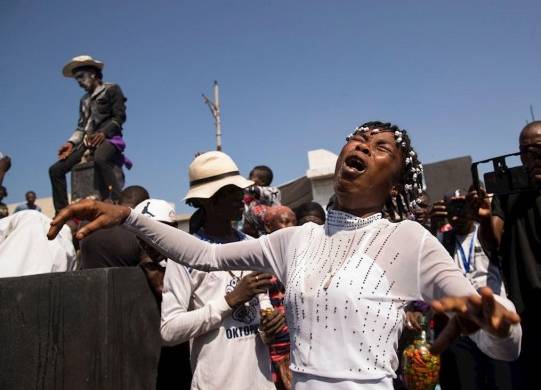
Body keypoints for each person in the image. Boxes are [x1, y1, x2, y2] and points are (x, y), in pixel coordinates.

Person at [49, 121, 522, 390]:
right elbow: (202, 255)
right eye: (358, 138)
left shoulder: (410, 241)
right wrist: (128, 216)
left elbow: (499, 338)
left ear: (395, 183)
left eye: (381, 148)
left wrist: (501, 325)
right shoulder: (296, 239)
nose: (361, 146)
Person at [162, 151, 276, 389]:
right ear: (211, 200)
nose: (241, 198)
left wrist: (270, 322)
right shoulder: (185, 255)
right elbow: (170, 330)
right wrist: (231, 301)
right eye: (232, 192)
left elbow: (262, 304)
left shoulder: (252, 247)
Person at [479, 121, 541, 387]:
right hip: (527, 311)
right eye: (526, 152)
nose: (532, 158)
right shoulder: (508, 191)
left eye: (538, 150)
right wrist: (482, 217)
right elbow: (492, 241)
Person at [433, 189, 512, 390]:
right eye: (452, 207)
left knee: (500, 382)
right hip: (462, 328)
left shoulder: (482, 233)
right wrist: (433, 227)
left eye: (462, 206)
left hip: (492, 322)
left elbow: (494, 241)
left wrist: (484, 218)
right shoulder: (444, 240)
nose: (457, 213)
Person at [49, 55, 128, 213]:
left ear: (93, 73)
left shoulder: (112, 89)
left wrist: (104, 133)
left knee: (100, 158)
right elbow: (81, 127)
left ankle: (118, 201)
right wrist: (70, 143)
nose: (78, 81)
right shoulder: (83, 101)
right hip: (87, 142)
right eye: (76, 78)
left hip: (110, 139)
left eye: (80, 76)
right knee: (55, 170)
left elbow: (119, 117)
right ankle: (63, 211)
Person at [132, 198, 192, 390]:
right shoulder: (146, 267)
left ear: (174, 228)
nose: (149, 242)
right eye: (142, 235)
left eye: (155, 233)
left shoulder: (194, 261)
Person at [79, 185, 149, 269]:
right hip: (125, 281)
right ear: (144, 209)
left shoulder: (86, 224)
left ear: (117, 203)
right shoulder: (140, 234)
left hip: (86, 280)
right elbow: (152, 272)